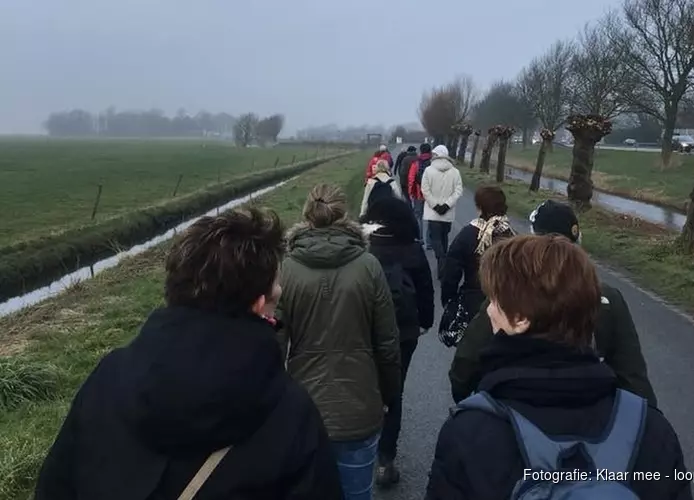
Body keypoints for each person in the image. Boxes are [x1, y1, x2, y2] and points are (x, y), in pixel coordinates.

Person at [35, 209, 343, 500]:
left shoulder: (109, 376)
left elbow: (55, 486)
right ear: (259, 306)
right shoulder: (290, 412)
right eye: (276, 294)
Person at [426, 235, 692, 500]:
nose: (489, 312)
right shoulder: (652, 430)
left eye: (495, 301)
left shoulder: (470, 433)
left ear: (520, 319)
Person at [449, 199, 658, 407]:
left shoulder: (510, 292)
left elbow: (469, 356)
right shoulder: (608, 298)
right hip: (593, 414)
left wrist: (466, 396)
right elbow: (632, 376)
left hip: (514, 410)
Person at [276, 184, 401, 500]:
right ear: (344, 215)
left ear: (307, 216)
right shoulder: (369, 266)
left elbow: (274, 344)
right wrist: (386, 394)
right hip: (359, 407)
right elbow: (387, 343)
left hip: (303, 407)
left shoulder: (286, 270)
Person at [361, 196, 434, 488]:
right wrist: (425, 322)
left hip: (366, 331)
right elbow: (426, 289)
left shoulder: (364, 247)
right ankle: (386, 460)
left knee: (364, 384)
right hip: (404, 332)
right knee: (395, 389)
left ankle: (358, 447)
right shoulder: (413, 248)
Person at [441, 184, 516, 321]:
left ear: (479, 207)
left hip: (473, 300)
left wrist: (448, 299)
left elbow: (451, 270)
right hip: (506, 303)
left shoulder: (468, 234)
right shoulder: (511, 234)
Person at [420, 144, 463, 279]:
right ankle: (443, 265)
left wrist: (435, 205)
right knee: (444, 237)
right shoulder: (455, 172)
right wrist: (447, 205)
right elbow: (458, 191)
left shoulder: (428, 170)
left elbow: (425, 189)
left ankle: (441, 260)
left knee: (435, 238)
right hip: (448, 212)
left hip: (433, 212)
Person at [407, 143, 434, 245]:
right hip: (431, 194)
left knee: (418, 216)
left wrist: (410, 192)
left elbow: (411, 179)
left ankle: (420, 238)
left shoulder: (416, 163)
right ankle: (430, 242)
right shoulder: (433, 163)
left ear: (421, 151)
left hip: (418, 193)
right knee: (431, 217)